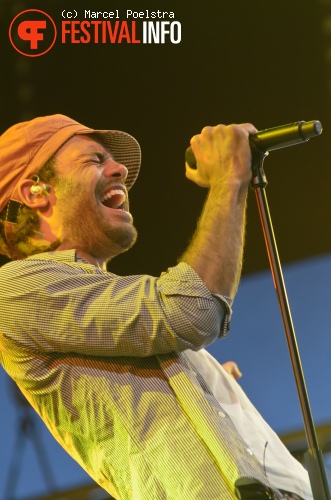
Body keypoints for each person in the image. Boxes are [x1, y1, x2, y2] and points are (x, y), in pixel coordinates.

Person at [0, 114, 312, 499]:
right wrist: (230, 178)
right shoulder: (12, 291)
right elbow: (194, 311)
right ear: (35, 192)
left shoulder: (105, 305)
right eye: (94, 161)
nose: (120, 170)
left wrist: (203, 383)